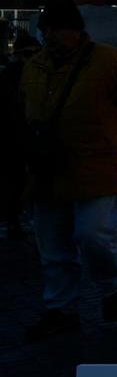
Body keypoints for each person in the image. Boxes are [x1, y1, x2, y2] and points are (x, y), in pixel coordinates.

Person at [20, 0, 117, 342]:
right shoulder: (34, 66)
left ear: (77, 32)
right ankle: (60, 309)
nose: (50, 35)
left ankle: (112, 285)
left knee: (93, 236)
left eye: (57, 29)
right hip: (47, 170)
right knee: (52, 246)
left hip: (96, 166)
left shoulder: (109, 62)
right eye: (46, 29)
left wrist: (115, 138)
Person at [1, 30, 40, 242]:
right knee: (16, 180)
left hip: (23, 134)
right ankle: (15, 219)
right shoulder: (12, 74)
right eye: (29, 53)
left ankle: (17, 219)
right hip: (16, 135)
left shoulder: (14, 72)